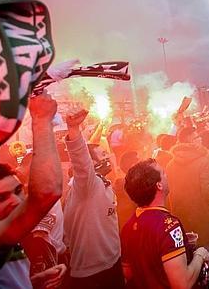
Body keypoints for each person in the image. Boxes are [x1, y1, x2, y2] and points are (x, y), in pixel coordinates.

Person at [0, 92, 64, 286]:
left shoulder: (12, 240)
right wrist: (42, 120)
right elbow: (47, 192)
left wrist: (34, 282)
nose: (16, 201)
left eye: (18, 190)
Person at [121, 159, 209, 288]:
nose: (167, 175)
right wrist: (200, 255)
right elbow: (182, 284)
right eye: (163, 173)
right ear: (159, 185)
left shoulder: (127, 227)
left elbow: (128, 272)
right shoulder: (169, 226)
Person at [63, 109, 124, 288]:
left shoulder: (104, 183)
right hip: (92, 273)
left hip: (114, 262)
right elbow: (81, 162)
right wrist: (74, 130)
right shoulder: (85, 186)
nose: (107, 157)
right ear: (92, 164)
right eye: (103, 155)